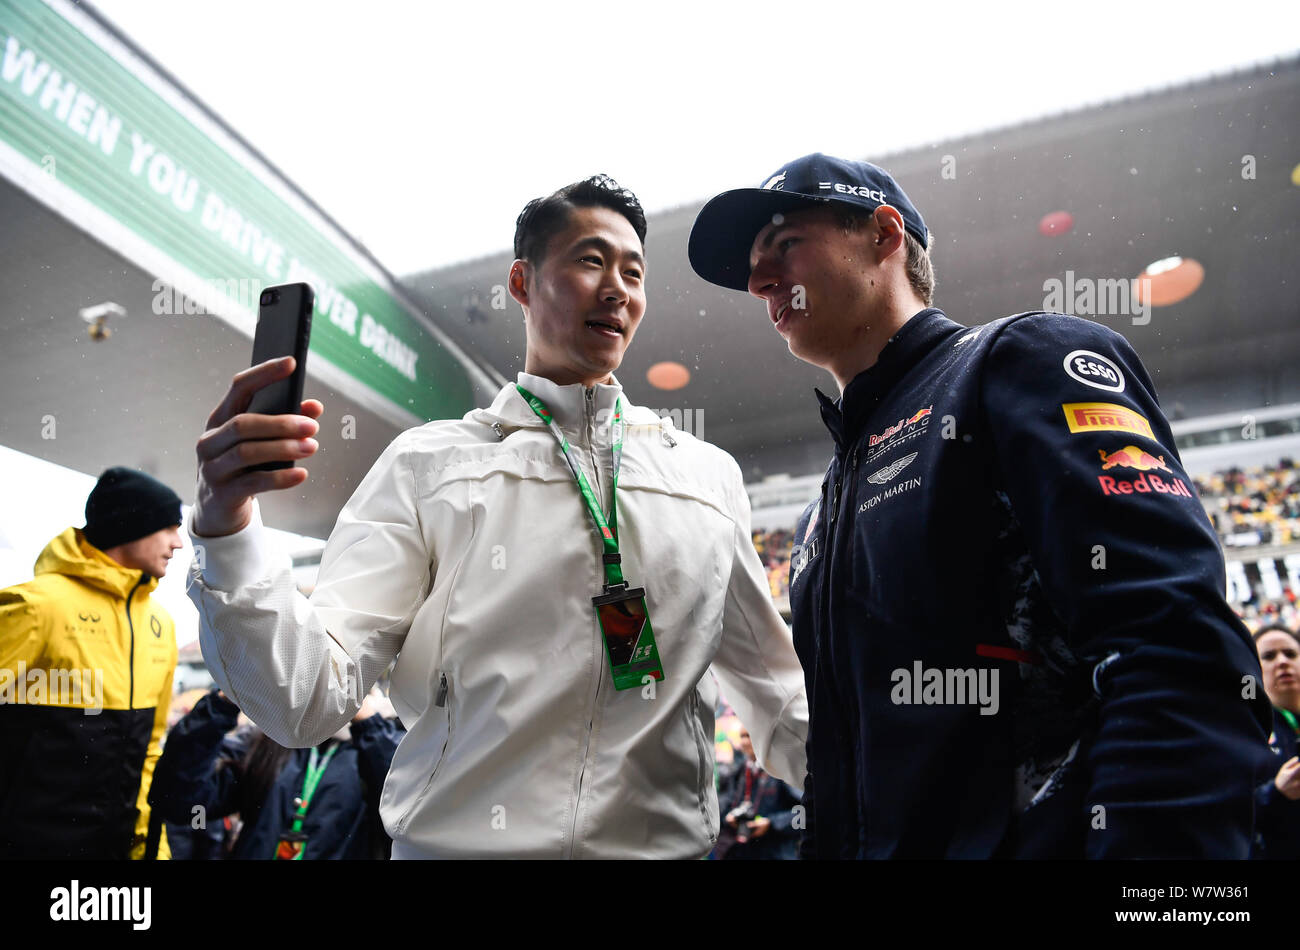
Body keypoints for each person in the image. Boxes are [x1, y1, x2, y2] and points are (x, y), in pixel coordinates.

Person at [186, 174, 807, 859]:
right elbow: (305, 702)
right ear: (522, 281)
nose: (618, 289)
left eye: (634, 272)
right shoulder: (426, 467)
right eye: (591, 260)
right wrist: (229, 527)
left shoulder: (704, 479)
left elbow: (778, 701)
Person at [688, 152, 1273, 858]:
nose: (758, 282)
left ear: (883, 234)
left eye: (784, 245)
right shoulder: (821, 514)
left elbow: (1175, 652)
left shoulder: (1021, 360)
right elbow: (842, 767)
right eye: (754, 267)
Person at [0, 466, 183, 859]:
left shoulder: (160, 624)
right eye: (169, 527)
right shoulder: (38, 605)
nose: (179, 542)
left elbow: (149, 753)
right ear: (131, 525)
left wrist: (152, 851)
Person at [149, 687, 402, 860]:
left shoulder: (381, 744)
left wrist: (369, 724)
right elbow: (181, 803)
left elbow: (403, 815)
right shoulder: (270, 740)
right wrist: (224, 703)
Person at [714, 727, 802, 860]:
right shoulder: (741, 771)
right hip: (743, 851)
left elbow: (802, 814)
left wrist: (771, 823)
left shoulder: (781, 771)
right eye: (742, 736)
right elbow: (726, 802)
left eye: (748, 736)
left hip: (776, 852)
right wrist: (729, 817)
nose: (744, 742)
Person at [1251, 624, 1300, 859]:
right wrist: (1276, 792)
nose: (1282, 662)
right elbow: (1224, 812)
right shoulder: (1246, 730)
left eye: (1291, 654)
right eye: (1269, 656)